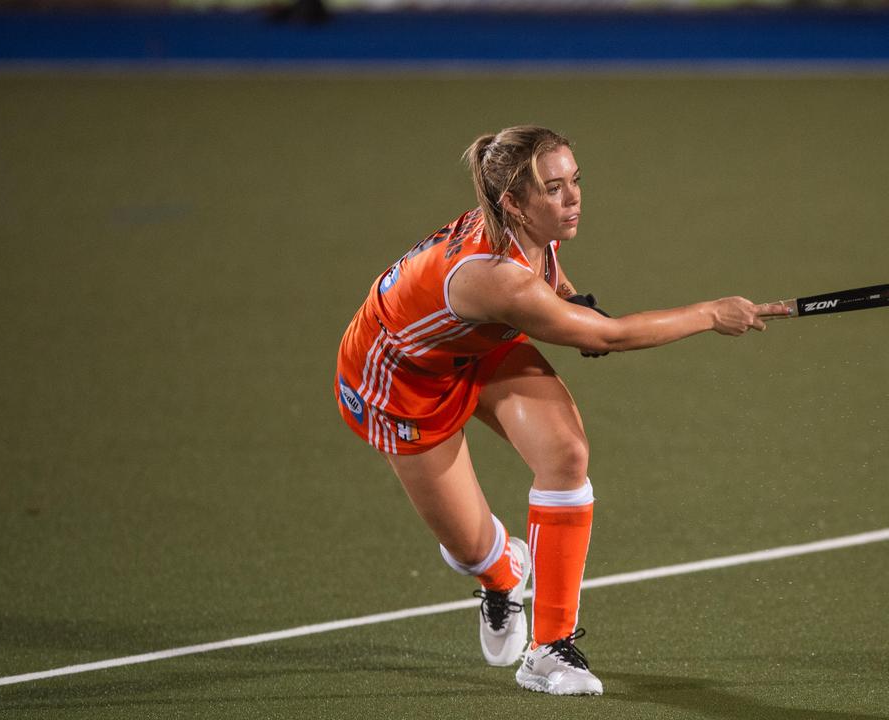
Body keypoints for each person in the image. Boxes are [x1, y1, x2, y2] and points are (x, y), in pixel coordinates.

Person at [335, 125, 787, 696]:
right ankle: (501, 574)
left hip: (476, 343)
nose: (572, 198)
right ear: (515, 204)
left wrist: (573, 305)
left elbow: (550, 277)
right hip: (399, 381)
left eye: (575, 181)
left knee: (566, 452)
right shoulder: (496, 280)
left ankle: (549, 649)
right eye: (554, 189)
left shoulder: (523, 226)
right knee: (473, 549)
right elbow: (614, 335)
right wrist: (711, 313)